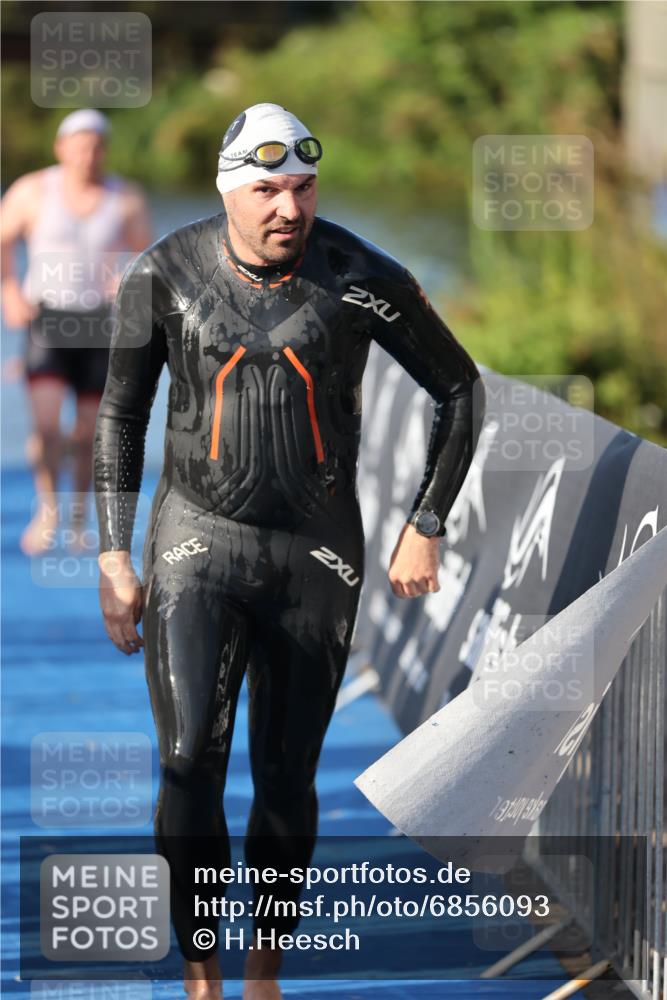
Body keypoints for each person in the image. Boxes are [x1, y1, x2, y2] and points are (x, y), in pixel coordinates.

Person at [93, 103, 484, 1000]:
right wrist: (115, 558)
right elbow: (119, 415)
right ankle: (202, 978)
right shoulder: (164, 273)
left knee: (284, 772)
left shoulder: (354, 274)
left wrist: (426, 521)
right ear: (230, 190)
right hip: (196, 543)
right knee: (190, 755)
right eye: (266, 188)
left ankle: (262, 976)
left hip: (317, 552)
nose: (287, 207)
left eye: (302, 187)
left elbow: (457, 388)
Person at [0, 108, 152, 555]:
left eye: (96, 146)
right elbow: (2, 240)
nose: (87, 155)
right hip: (47, 320)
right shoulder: (33, 190)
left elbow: (149, 258)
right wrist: (10, 291)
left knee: (88, 432)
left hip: (98, 323)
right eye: (79, 145)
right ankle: (48, 509)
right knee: (47, 425)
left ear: (103, 151)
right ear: (62, 148)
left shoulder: (125, 197)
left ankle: (80, 519)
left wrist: (125, 276)